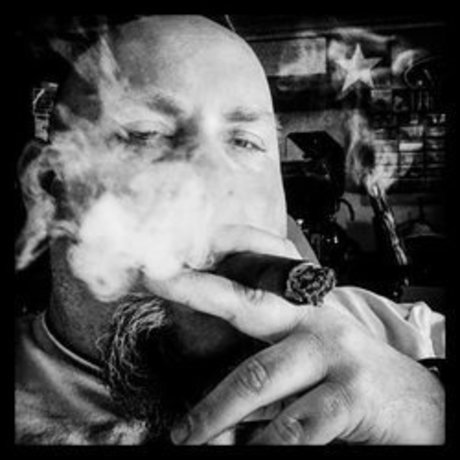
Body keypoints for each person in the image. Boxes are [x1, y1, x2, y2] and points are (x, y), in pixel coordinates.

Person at [15, 15, 445, 445]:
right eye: (146, 134)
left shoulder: (402, 341)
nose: (213, 180)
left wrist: (431, 406)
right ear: (47, 185)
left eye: (244, 141)